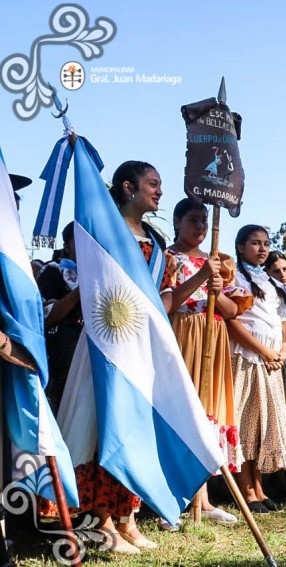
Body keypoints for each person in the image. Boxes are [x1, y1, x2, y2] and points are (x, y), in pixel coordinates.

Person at [54, 160, 166, 553]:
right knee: (104, 426)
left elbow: (158, 299)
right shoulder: (103, 231)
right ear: (128, 187)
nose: (159, 191)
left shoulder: (156, 241)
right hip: (107, 340)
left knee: (135, 426)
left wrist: (203, 281)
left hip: (140, 343)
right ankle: (101, 522)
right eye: (152, 183)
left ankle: (126, 519)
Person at [163, 198, 245, 525]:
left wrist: (217, 289)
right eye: (193, 220)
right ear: (177, 221)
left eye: (204, 220)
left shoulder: (220, 261)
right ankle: (172, 499)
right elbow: (167, 302)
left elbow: (234, 310)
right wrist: (199, 278)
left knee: (209, 410)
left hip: (214, 335)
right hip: (184, 332)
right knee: (182, 410)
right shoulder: (167, 258)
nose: (200, 227)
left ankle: (204, 500)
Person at [227, 225, 286, 513]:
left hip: (272, 360)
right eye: (255, 243)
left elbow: (284, 321)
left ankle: (259, 486)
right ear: (241, 247)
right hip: (247, 358)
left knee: (264, 425)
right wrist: (263, 351)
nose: (263, 248)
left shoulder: (271, 281)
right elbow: (232, 321)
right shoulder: (234, 276)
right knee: (245, 423)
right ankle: (245, 489)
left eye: (266, 243)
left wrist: (283, 349)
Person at [37, 222, 82, 414]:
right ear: (67, 245)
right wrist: (82, 289)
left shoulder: (106, 276)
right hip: (62, 360)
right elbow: (46, 317)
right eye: (80, 240)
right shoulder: (53, 271)